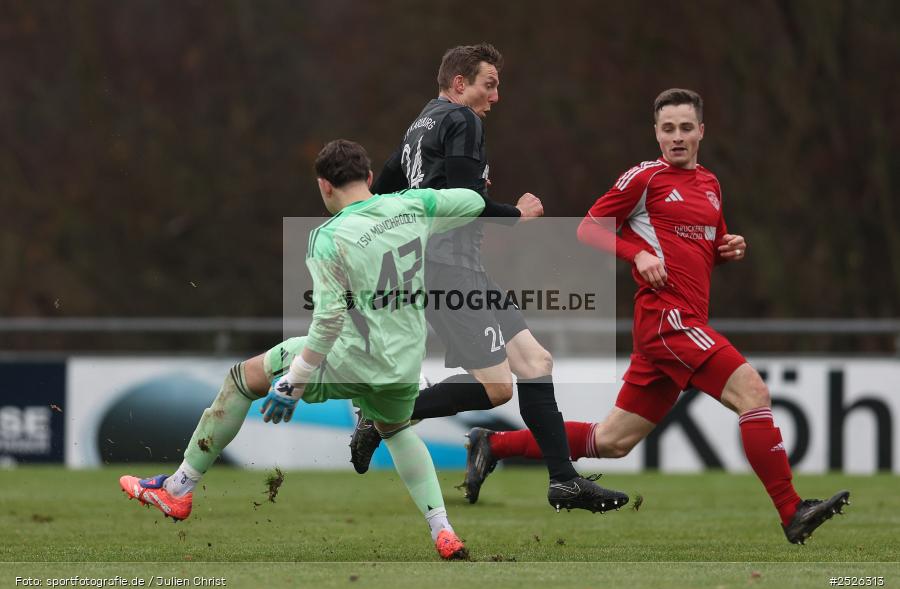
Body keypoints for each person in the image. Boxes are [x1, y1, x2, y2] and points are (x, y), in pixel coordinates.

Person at [462, 88, 850, 544]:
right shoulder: (645, 178)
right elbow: (588, 226)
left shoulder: (710, 184)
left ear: (702, 131)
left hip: (679, 327)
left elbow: (701, 251)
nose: (678, 137)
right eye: (668, 129)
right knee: (753, 391)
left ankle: (493, 444)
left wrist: (727, 250)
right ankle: (791, 511)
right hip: (667, 321)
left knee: (612, 441)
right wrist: (636, 254)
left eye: (687, 128)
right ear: (657, 133)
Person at [119, 139, 488, 560]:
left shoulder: (328, 237)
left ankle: (178, 489)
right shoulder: (411, 206)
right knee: (397, 430)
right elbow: (472, 201)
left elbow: (328, 320)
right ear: (369, 178)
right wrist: (492, 197)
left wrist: (295, 379)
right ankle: (443, 531)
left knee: (241, 381)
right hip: (404, 364)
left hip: (349, 356)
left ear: (324, 187)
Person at [348, 42, 628, 513]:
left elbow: (383, 194)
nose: (495, 97)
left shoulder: (419, 126)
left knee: (536, 363)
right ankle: (380, 414)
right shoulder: (463, 120)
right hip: (449, 268)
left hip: (453, 267)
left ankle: (563, 481)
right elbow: (464, 202)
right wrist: (517, 212)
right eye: (489, 84)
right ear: (460, 83)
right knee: (497, 387)